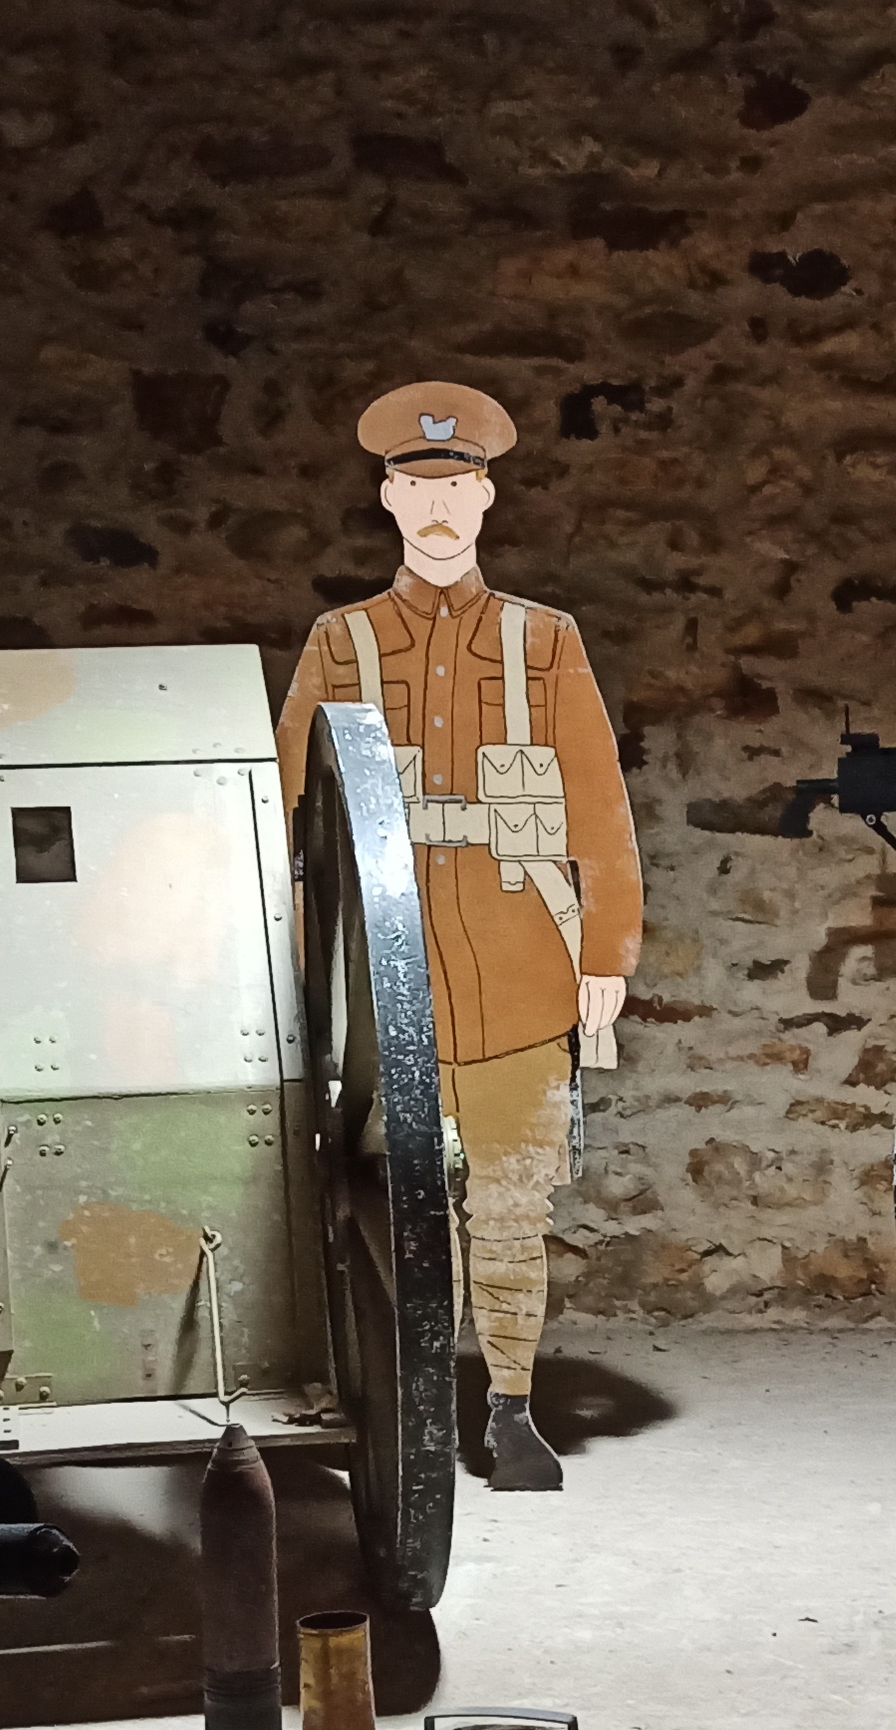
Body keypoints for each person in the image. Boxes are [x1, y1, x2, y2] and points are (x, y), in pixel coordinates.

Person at [274, 379, 641, 1493]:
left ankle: (512, 1406)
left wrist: (605, 954)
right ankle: (416, 1403)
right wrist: (297, 970)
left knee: (515, 1204)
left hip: (521, 968)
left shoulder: (544, 640)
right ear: (387, 498)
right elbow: (286, 817)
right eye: (416, 486)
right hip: (382, 985)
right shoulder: (340, 642)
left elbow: (598, 806)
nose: (437, 508)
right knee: (401, 1211)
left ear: (485, 498)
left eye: (457, 486)